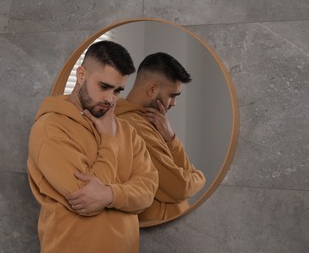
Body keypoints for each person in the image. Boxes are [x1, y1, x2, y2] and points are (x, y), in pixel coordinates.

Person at [27, 41, 158, 252]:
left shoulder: (127, 131)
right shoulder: (50, 129)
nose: (110, 98)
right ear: (81, 75)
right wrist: (108, 140)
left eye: (118, 90)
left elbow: (147, 192)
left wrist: (110, 195)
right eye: (104, 86)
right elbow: (86, 198)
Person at [115, 52, 206, 222]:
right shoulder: (134, 126)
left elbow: (182, 175)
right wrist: (199, 177)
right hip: (160, 233)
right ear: (152, 89)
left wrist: (171, 139)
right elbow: (181, 187)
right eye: (172, 95)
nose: (174, 103)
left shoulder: (152, 121)